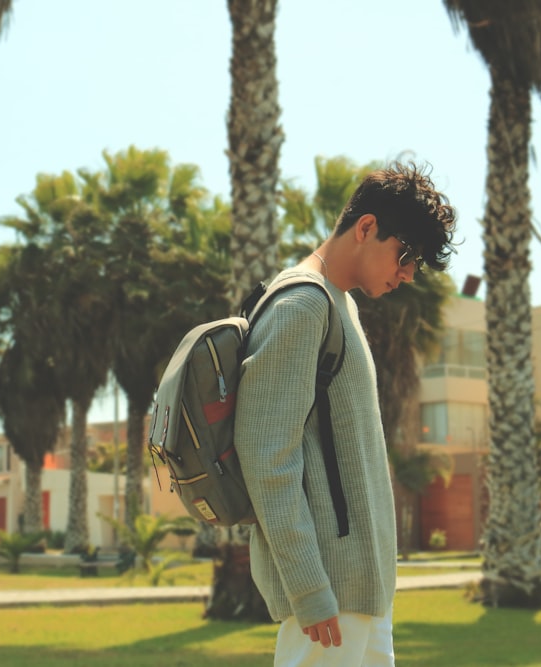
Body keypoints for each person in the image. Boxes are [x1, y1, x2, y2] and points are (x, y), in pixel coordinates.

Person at [234, 161, 458, 666]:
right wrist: (309, 589)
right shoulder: (302, 306)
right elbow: (268, 457)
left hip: (362, 589)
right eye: (405, 256)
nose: (406, 274)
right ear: (366, 228)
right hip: (329, 592)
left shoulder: (341, 306)